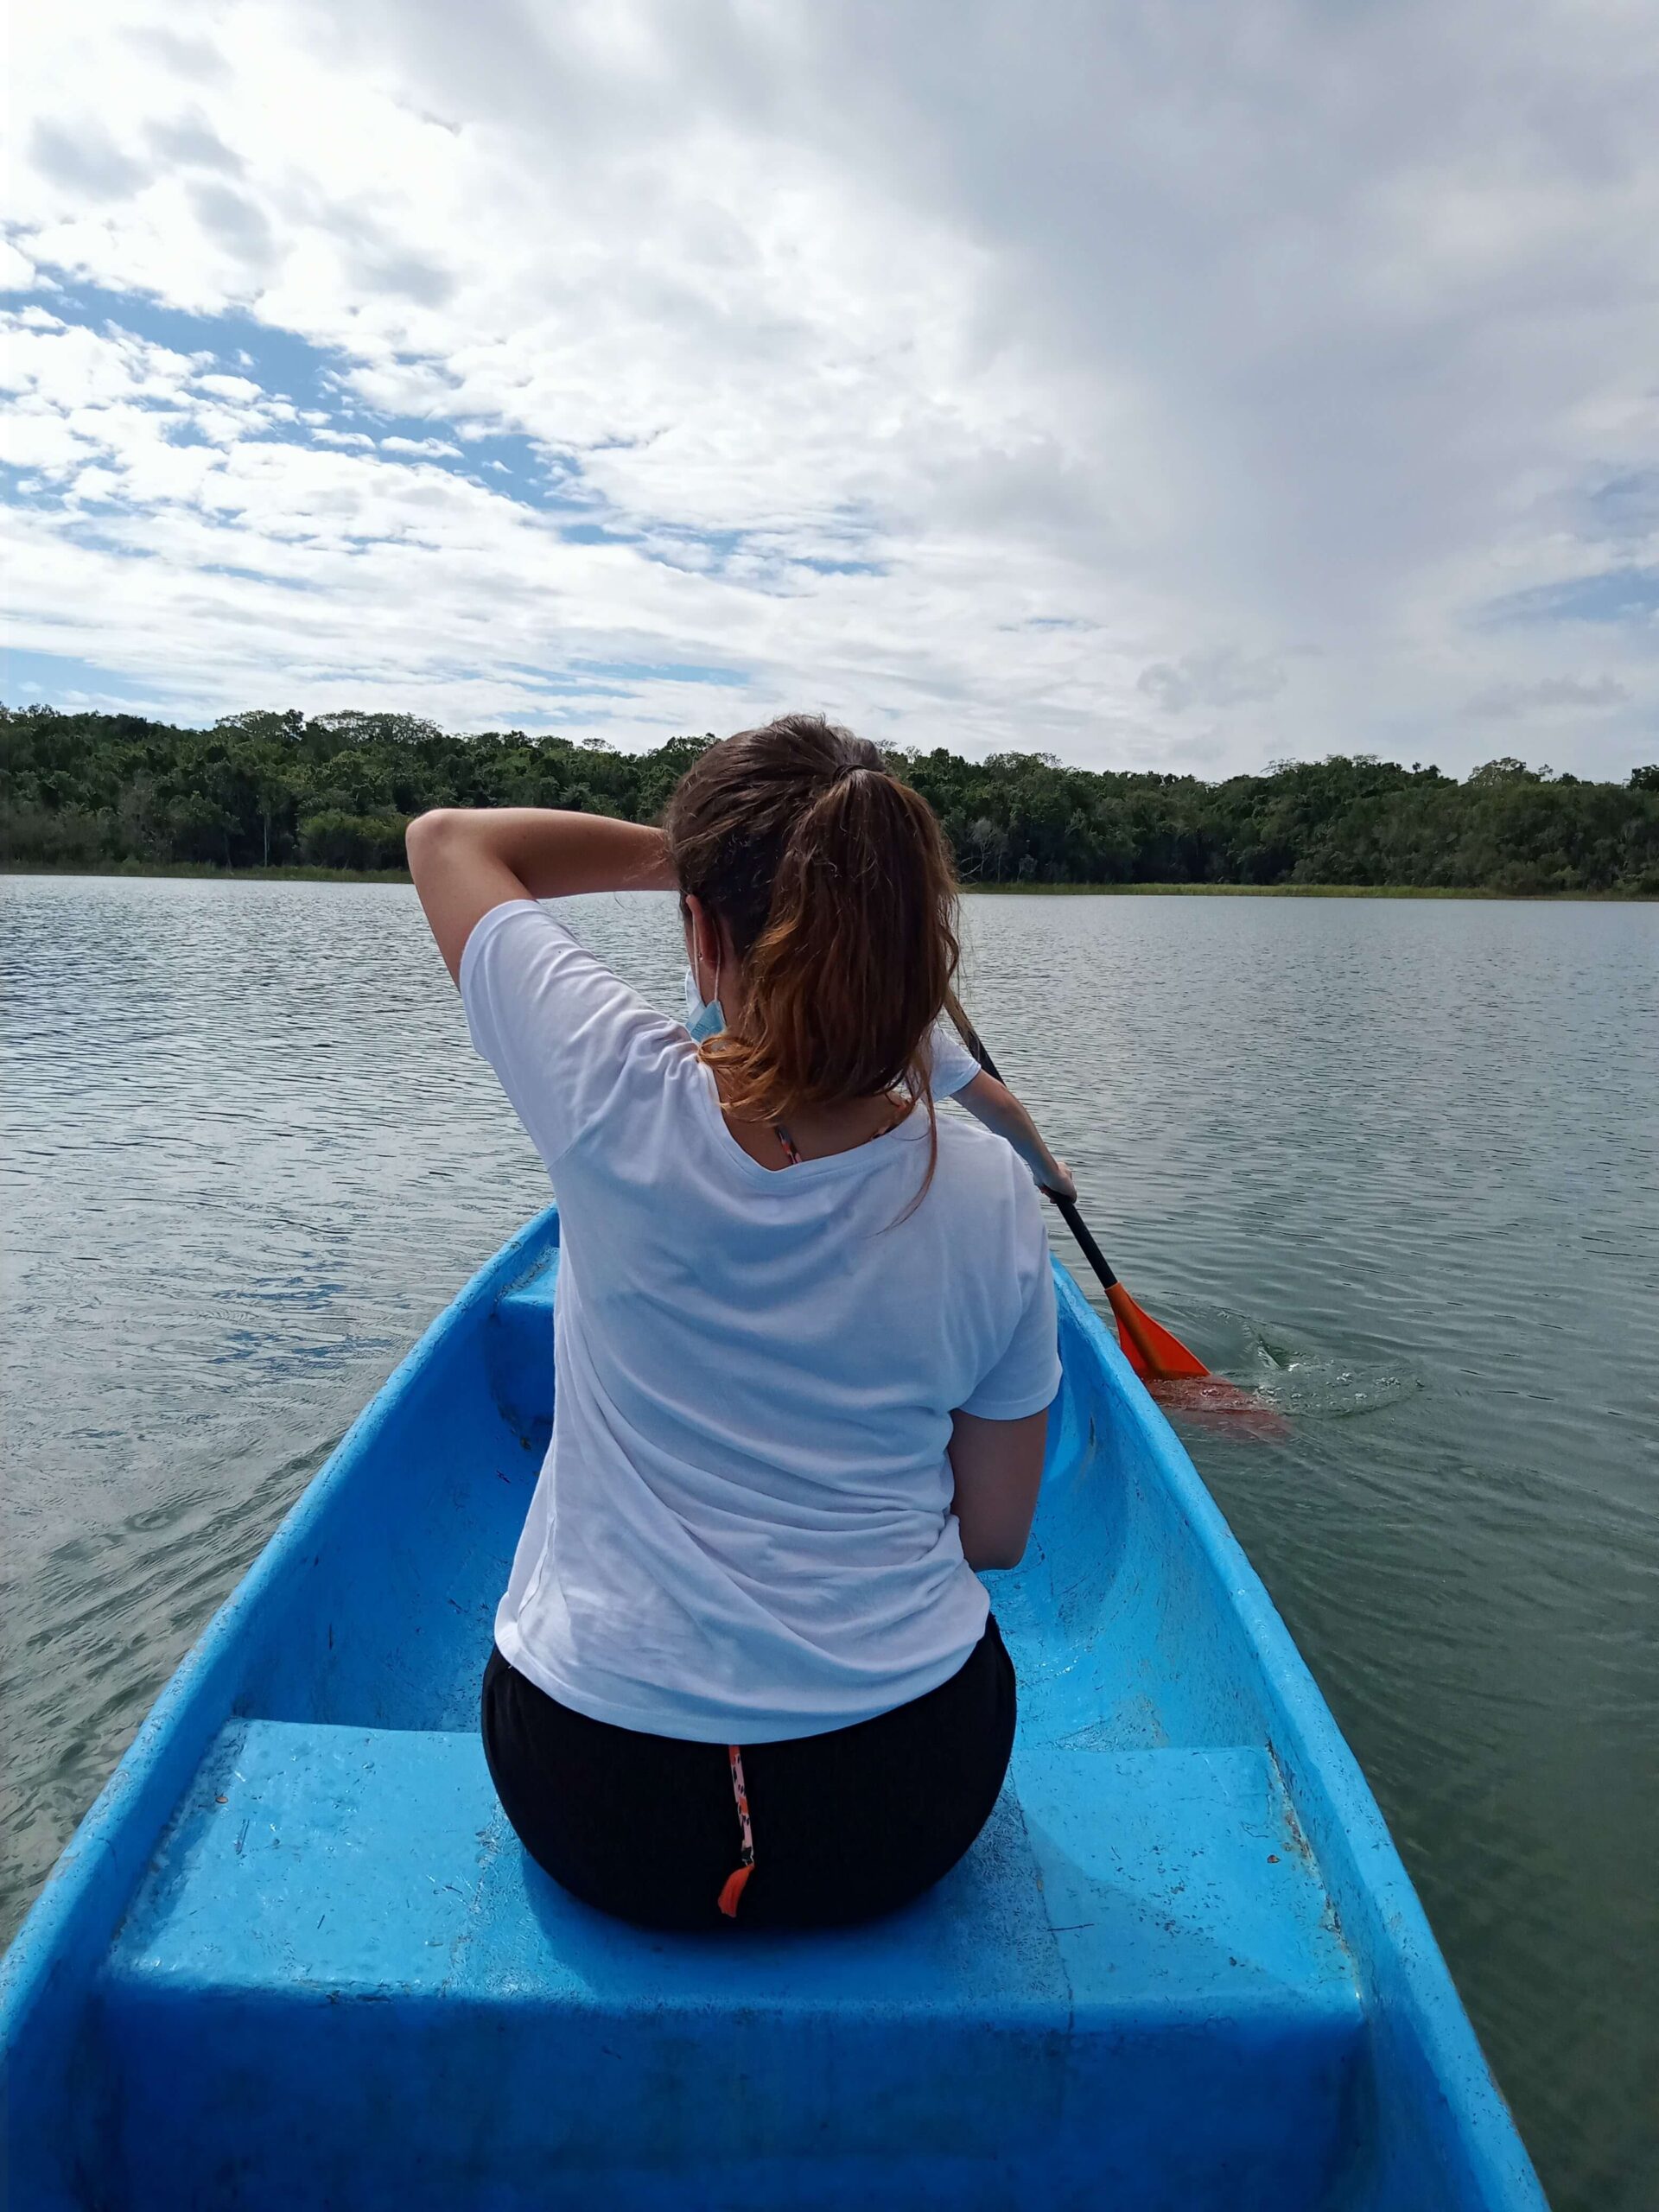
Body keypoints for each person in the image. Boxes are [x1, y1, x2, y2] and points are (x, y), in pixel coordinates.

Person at [408, 714, 1062, 1932]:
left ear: (703, 937)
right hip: (903, 1804)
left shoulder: (607, 1090)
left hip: (593, 1797)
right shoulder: (988, 1195)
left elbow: (450, 840)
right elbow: (1000, 1533)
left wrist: (690, 858)